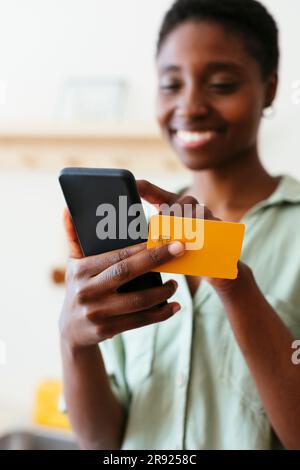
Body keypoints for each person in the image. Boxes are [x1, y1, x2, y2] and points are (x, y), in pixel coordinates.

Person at [60, 0, 300, 450]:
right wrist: (74, 343)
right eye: (171, 84)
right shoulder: (134, 227)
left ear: (268, 90)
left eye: (222, 84)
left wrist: (233, 282)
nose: (189, 105)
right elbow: (102, 440)